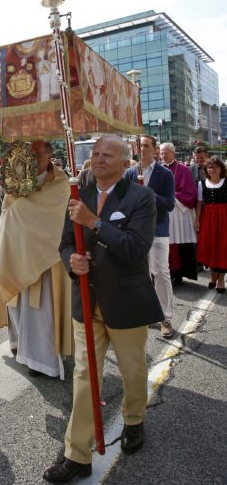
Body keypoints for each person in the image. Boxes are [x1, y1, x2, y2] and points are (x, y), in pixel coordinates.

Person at [43, 135, 163, 484]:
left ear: (125, 162)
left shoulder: (142, 197)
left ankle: (134, 420)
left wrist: (95, 223)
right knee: (84, 377)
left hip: (126, 302)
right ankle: (76, 455)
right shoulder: (79, 195)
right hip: (87, 299)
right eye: (94, 153)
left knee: (132, 370)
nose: (97, 159)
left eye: (107, 154)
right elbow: (65, 243)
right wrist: (72, 261)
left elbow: (136, 249)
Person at [0, 141, 72, 379]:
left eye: (37, 154)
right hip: (17, 253)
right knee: (18, 306)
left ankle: (43, 361)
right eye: (29, 154)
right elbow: (8, 214)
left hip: (46, 260)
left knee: (42, 311)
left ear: (49, 156)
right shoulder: (16, 179)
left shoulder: (61, 183)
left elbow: (54, 219)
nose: (33, 158)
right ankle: (21, 348)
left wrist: (24, 212)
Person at [126, 135, 176, 338]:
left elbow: (170, 204)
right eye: (139, 146)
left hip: (158, 230)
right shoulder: (130, 173)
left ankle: (165, 317)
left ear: (154, 149)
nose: (142, 149)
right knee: (139, 273)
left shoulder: (164, 174)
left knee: (161, 272)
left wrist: (149, 195)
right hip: (135, 232)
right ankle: (144, 313)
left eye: (146, 145)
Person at [160, 142, 197, 286]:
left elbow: (190, 193)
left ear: (173, 154)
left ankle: (179, 273)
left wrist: (171, 197)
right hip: (164, 212)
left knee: (179, 242)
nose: (163, 156)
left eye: (166, 153)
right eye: (162, 153)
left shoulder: (184, 170)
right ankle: (168, 272)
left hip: (179, 212)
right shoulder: (158, 169)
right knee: (165, 243)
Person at [196, 157, 227, 294]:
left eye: (214, 167)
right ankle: (212, 275)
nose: (211, 169)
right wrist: (197, 220)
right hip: (208, 217)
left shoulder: (226, 182)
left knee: (222, 247)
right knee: (210, 246)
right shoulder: (201, 184)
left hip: (224, 217)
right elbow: (199, 203)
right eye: (209, 167)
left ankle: (221, 279)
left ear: (221, 169)